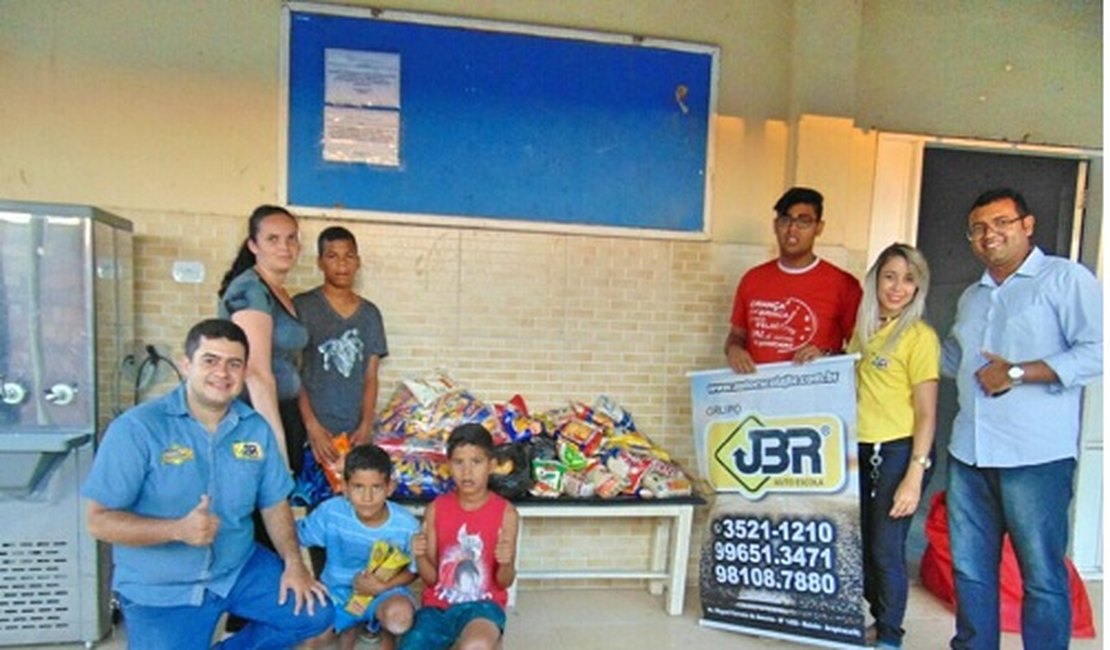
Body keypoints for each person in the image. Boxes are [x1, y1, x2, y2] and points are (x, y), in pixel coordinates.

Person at [81, 319, 332, 649]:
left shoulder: (255, 428)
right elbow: (98, 520)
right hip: (163, 585)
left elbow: (274, 503)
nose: (222, 373)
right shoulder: (138, 429)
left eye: (234, 364)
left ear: (244, 372)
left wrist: (295, 564)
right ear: (187, 365)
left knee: (313, 613)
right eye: (210, 360)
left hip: (237, 568)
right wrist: (176, 530)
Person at [942, 188, 1102, 650]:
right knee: (971, 571)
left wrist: (1017, 372)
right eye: (978, 228)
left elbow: (1097, 352)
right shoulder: (974, 296)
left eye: (1001, 223)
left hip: (1036, 458)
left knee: (1041, 575)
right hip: (969, 452)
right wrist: (892, 341)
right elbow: (955, 359)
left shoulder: (1064, 279)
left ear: (1027, 225)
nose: (989, 235)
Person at [848, 243, 939, 650]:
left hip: (901, 453)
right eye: (890, 276)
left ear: (918, 287)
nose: (897, 287)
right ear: (876, 280)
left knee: (887, 549)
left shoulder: (919, 338)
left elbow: (927, 413)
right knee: (864, 546)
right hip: (862, 451)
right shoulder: (865, 329)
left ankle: (890, 636)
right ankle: (879, 620)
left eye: (908, 279)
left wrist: (914, 476)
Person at [399, 424, 520, 650]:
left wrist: (505, 562)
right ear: (449, 466)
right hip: (438, 607)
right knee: (411, 645)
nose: (467, 472)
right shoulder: (436, 508)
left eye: (476, 462)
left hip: (484, 605)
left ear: (491, 465)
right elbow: (431, 579)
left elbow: (505, 581)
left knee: (476, 645)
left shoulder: (506, 513)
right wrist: (420, 555)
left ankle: (490, 639)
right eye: (458, 462)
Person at [725, 186, 863, 373]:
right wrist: (734, 350)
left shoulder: (844, 285)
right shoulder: (752, 280)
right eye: (785, 220)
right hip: (757, 396)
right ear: (775, 225)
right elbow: (736, 335)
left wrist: (827, 356)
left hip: (816, 398)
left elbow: (861, 351)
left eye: (803, 221)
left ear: (819, 228)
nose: (792, 229)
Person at [297, 444, 419, 650]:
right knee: (309, 642)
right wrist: (301, 576)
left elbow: (414, 571)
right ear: (344, 486)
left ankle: (376, 626)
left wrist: (382, 587)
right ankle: (352, 625)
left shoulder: (406, 525)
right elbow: (295, 539)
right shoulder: (331, 513)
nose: (367, 497)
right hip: (337, 592)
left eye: (376, 487)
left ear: (390, 487)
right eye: (358, 487)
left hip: (385, 592)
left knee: (399, 618)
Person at [217, 205, 308, 474]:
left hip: (282, 411)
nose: (285, 247)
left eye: (291, 238)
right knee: (258, 507)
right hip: (252, 417)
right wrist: (276, 445)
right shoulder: (250, 290)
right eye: (273, 239)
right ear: (253, 245)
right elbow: (256, 373)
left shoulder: (278, 291)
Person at [294, 226, 388, 485]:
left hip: (354, 435)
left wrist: (367, 424)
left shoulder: (370, 314)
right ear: (319, 262)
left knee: (354, 503)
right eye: (332, 256)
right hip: (312, 434)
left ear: (358, 262)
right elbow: (294, 373)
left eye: (348, 256)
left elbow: (371, 375)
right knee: (312, 507)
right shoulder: (302, 307)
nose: (342, 264)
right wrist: (312, 427)